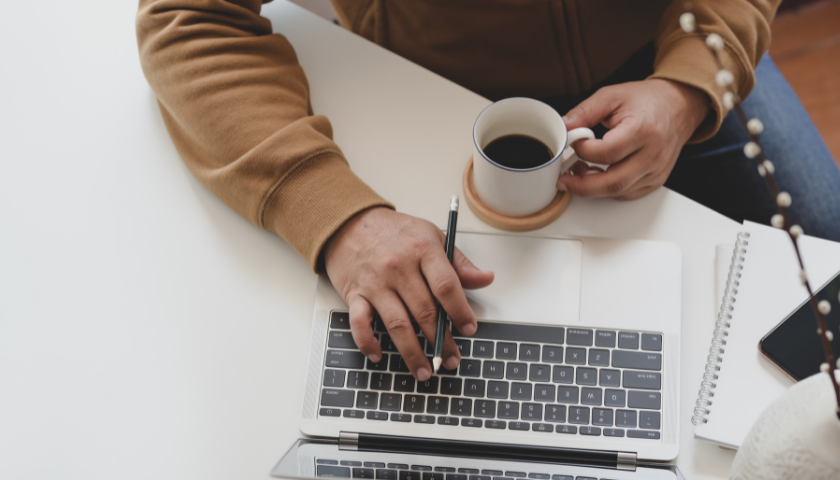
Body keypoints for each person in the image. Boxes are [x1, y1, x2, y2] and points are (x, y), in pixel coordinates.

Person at [136, 0, 840, 382]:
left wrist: (689, 84)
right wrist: (336, 214)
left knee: (829, 258)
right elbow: (185, 15)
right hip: (430, 88)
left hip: (669, 54)